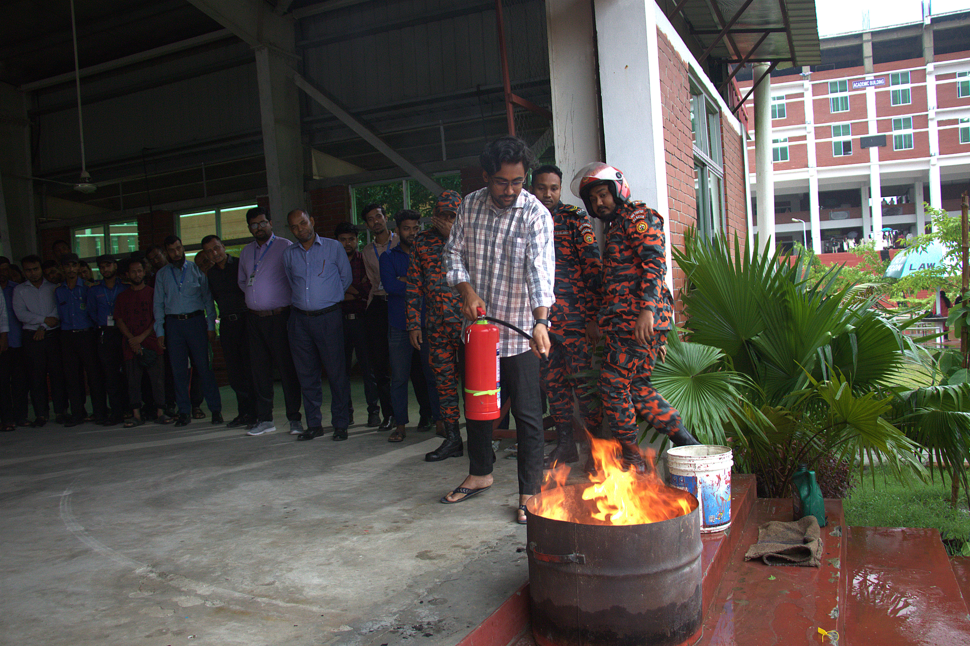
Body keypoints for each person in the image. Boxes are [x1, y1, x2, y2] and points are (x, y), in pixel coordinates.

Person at [441, 136, 555, 525]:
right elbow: (453, 253)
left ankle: (530, 493)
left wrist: (541, 321)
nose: (510, 191)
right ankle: (481, 473)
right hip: (478, 332)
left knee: (527, 415)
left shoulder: (536, 215)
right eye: (502, 182)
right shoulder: (469, 206)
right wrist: (466, 290)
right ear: (487, 176)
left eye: (518, 182)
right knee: (478, 408)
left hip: (522, 330)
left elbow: (540, 272)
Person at [572, 162, 700, 472]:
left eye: (603, 195)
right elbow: (616, 285)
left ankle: (631, 458)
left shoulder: (640, 218)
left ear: (618, 189)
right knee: (639, 388)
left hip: (638, 321)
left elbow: (654, 266)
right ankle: (688, 443)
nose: (599, 203)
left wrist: (648, 312)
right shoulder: (616, 226)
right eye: (594, 200)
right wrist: (602, 323)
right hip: (628, 323)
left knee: (613, 385)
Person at [531, 165, 603, 467]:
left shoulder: (575, 219)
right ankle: (565, 446)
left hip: (575, 319)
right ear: (532, 188)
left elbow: (593, 270)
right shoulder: (526, 219)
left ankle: (597, 451)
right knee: (553, 385)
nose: (548, 194)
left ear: (560, 189)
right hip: (542, 324)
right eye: (542, 188)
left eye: (554, 188)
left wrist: (592, 318)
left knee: (583, 386)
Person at [282, 209, 352, 441]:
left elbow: (346, 278)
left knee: (336, 373)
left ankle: (340, 423)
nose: (300, 229)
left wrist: (327, 299)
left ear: (311, 221)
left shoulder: (333, 247)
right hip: (299, 320)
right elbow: (292, 282)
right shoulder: (289, 254)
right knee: (306, 375)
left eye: (303, 223)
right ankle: (314, 425)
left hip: (328, 318)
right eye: (294, 227)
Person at [238, 207, 304, 437]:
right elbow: (243, 282)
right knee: (259, 371)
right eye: (254, 225)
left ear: (270, 223)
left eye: (262, 223)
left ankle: (294, 419)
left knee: (287, 370)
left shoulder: (285, 247)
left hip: (280, 317)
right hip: (255, 320)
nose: (259, 228)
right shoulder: (246, 252)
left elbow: (296, 278)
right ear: (249, 228)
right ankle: (265, 419)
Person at [410, 191, 466, 460]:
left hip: (467, 323)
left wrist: (452, 235)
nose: (445, 220)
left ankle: (482, 441)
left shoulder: (470, 237)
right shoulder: (421, 241)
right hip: (436, 324)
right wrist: (413, 324)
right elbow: (413, 285)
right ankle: (453, 438)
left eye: (451, 216)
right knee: (443, 382)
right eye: (441, 215)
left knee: (476, 384)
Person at [153, 235, 222, 427]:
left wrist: (210, 326)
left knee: (204, 367)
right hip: (173, 325)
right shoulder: (162, 275)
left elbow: (208, 300)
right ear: (167, 253)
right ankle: (183, 411)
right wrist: (160, 331)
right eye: (171, 250)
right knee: (178, 371)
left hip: (196, 322)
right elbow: (158, 304)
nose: (176, 253)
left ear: (182, 248)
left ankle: (215, 410)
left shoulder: (195, 270)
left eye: (178, 248)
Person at [380, 209, 436, 443]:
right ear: (397, 231)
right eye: (407, 229)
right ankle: (400, 425)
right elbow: (391, 286)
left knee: (433, 375)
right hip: (399, 325)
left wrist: (406, 280)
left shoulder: (428, 255)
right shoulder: (388, 257)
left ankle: (441, 421)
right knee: (400, 378)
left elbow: (433, 284)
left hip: (426, 324)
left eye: (416, 228)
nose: (412, 233)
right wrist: (417, 284)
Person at [202, 234, 257, 429]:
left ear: (223, 246)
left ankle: (256, 413)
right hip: (227, 324)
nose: (214, 253)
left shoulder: (239, 265)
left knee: (250, 368)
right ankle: (243, 413)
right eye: (209, 251)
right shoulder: (211, 274)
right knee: (234, 372)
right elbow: (213, 300)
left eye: (216, 248)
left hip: (245, 320)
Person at [114, 258, 170, 427]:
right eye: (133, 271)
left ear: (144, 272)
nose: (137, 274)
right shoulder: (122, 296)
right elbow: (119, 320)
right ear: (127, 274)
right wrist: (132, 339)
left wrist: (141, 337)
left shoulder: (154, 293)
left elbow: (157, 318)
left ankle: (161, 412)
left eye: (139, 271)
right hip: (130, 344)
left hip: (152, 341)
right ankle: (136, 414)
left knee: (157, 380)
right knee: (133, 381)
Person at [14, 255, 68, 427]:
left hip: (52, 335)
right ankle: (41, 415)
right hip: (32, 337)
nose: (33, 273)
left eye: (35, 269)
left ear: (41, 269)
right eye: (29, 270)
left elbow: (58, 310)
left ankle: (61, 411)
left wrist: (43, 326)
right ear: (24, 272)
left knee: (57, 375)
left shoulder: (53, 287)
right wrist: (43, 320)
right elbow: (21, 314)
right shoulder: (20, 290)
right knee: (36, 377)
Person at [335, 221, 380, 428]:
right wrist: (354, 289)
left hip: (362, 321)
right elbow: (331, 293)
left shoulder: (364, 260)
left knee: (368, 370)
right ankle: (347, 413)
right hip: (339, 322)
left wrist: (346, 290)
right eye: (343, 240)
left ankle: (374, 413)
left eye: (351, 239)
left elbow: (368, 288)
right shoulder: (332, 261)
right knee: (341, 371)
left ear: (357, 240)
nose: (347, 243)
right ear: (337, 241)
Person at [56, 253, 108, 426]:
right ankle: (78, 412)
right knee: (72, 376)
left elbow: (93, 311)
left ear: (79, 267)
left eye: (74, 265)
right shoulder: (59, 290)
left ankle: (99, 411)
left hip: (87, 334)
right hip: (67, 335)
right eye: (67, 266)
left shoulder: (87, 288)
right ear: (62, 268)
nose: (71, 269)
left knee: (94, 375)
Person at [360, 203, 396, 430]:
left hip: (400, 304)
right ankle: (389, 414)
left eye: (379, 216)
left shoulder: (400, 241)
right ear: (367, 225)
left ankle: (427, 414)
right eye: (371, 219)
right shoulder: (366, 251)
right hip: (379, 305)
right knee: (380, 365)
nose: (376, 221)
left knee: (411, 363)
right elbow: (373, 281)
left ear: (385, 217)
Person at [87, 254, 127, 425]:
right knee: (110, 376)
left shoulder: (125, 287)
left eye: (108, 266)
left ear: (115, 267)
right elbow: (91, 312)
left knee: (127, 373)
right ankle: (116, 412)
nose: (105, 270)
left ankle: (130, 409)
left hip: (124, 332)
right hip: (105, 333)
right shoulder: (94, 290)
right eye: (102, 267)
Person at [0, 257, 28, 430]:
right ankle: (6, 418)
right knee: (2, 383)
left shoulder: (17, 289)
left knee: (20, 382)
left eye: (4, 269)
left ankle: (21, 417)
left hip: (17, 341)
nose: (2, 273)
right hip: (2, 344)